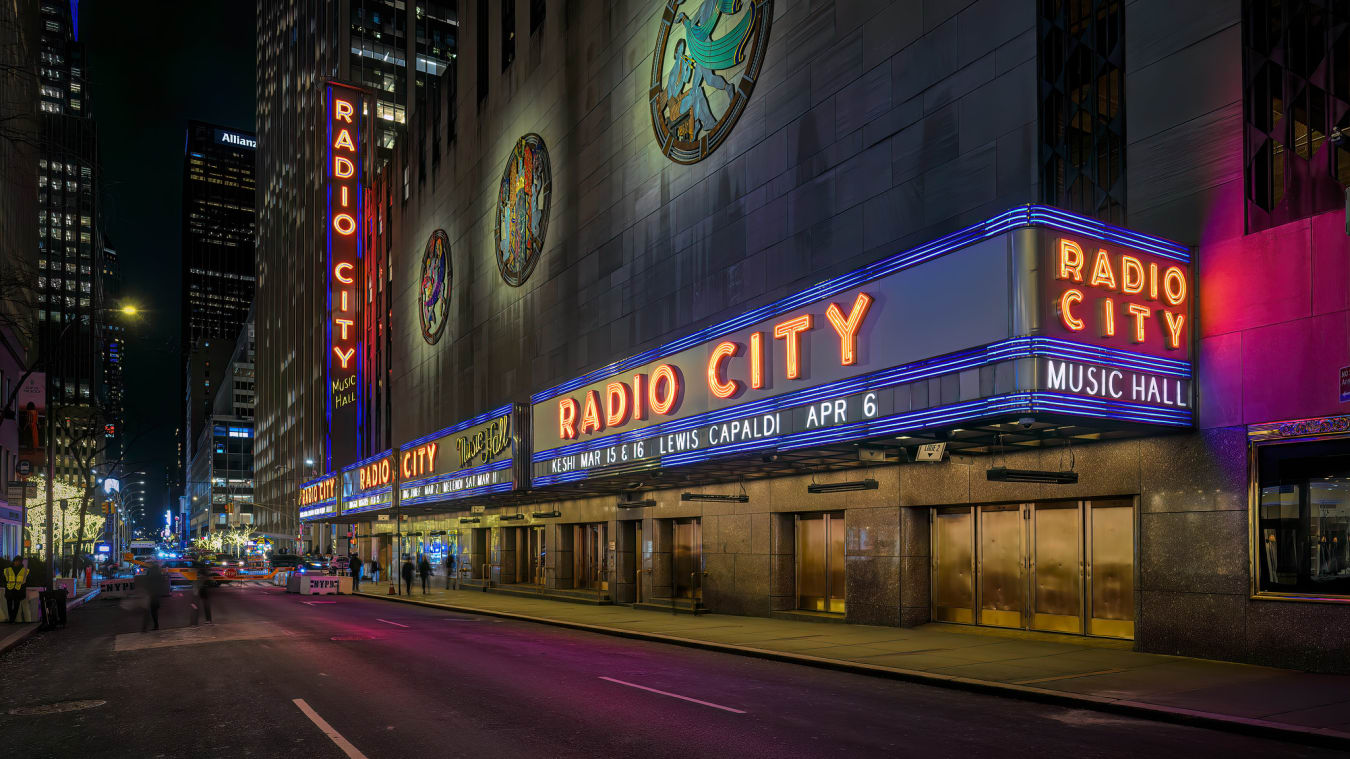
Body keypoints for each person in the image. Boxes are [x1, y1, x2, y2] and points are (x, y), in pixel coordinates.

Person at [141, 561, 166, 632]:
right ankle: (156, 625)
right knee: (154, 611)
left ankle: (145, 627)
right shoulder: (159, 572)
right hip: (156, 594)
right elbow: (162, 582)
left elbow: (146, 581)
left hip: (150, 593)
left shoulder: (150, 571)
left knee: (148, 611)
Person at [4, 555, 28, 623]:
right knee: (9, 605)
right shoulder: (8, 569)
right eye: (16, 561)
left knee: (16, 606)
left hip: (18, 590)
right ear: (14, 561)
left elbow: (25, 580)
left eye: (19, 561)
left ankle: (12, 619)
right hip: (10, 589)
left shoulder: (24, 570)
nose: (17, 562)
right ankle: (11, 619)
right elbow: (4, 579)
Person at [189, 560, 213, 626]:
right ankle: (208, 620)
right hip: (203, 589)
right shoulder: (204, 571)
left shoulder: (196, 572)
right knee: (205, 605)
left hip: (198, 590)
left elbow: (195, 582)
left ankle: (194, 622)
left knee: (195, 605)